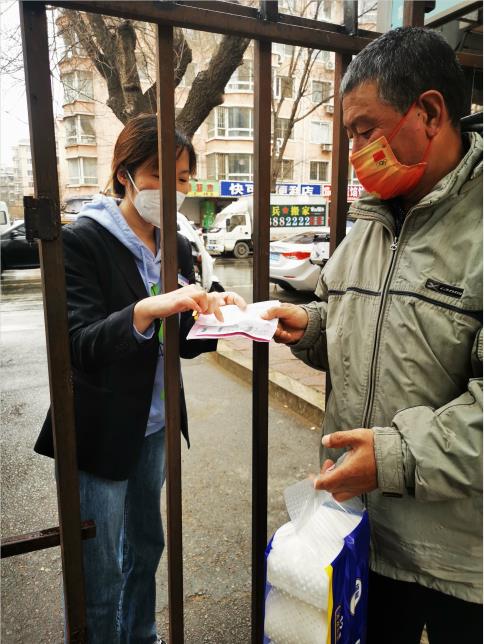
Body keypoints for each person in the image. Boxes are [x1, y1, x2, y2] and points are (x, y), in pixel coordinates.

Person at [263, 27, 482, 643]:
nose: (357, 152)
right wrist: (310, 327)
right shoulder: (370, 220)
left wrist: (391, 457)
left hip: (459, 559)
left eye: (366, 130)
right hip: (362, 532)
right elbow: (355, 321)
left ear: (430, 113)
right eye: (350, 135)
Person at [34, 115, 245, 644]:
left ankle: (141, 634)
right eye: (158, 174)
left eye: (183, 177)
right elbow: (78, 345)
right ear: (124, 174)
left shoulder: (177, 244)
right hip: (101, 428)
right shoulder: (82, 241)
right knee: (98, 565)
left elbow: (183, 344)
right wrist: (145, 310)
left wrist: (214, 314)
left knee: (147, 545)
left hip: (155, 425)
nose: (172, 189)